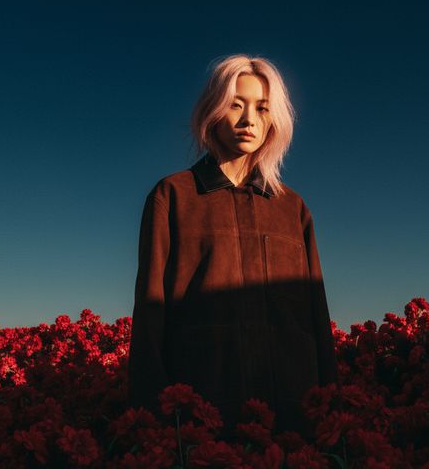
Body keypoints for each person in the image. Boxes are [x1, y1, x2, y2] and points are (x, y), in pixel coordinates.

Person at [127, 54, 338, 437]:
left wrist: (329, 409)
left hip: (290, 414)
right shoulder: (173, 196)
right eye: (235, 105)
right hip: (203, 414)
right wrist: (154, 418)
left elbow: (315, 317)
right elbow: (150, 312)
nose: (248, 120)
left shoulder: (293, 208)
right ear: (212, 111)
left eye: (261, 108)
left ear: (275, 119)